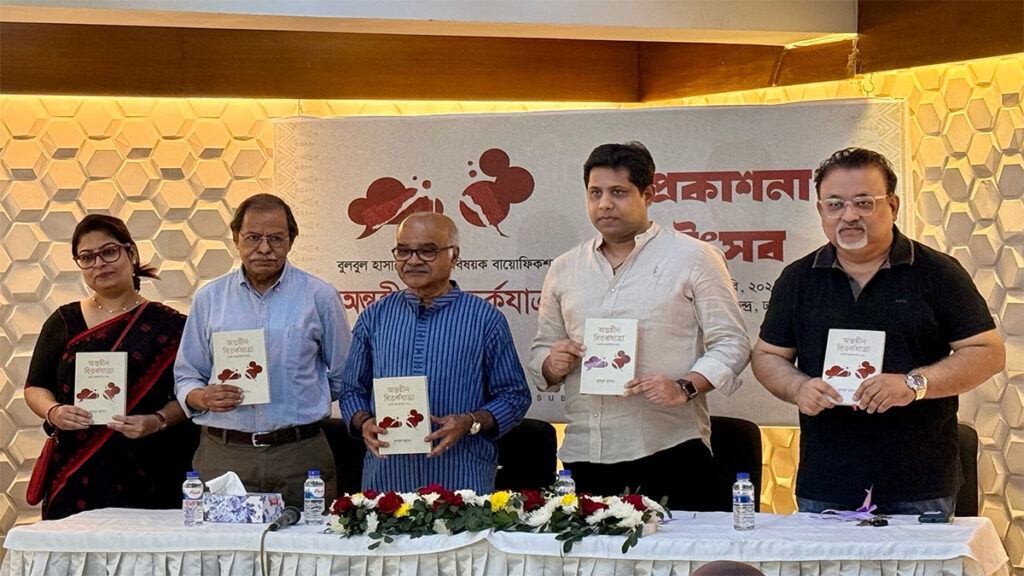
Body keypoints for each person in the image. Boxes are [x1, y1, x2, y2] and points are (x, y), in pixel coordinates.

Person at [752, 147, 1005, 515]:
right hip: (826, 481)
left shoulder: (938, 272)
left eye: (864, 203)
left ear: (893, 205)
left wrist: (914, 384)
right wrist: (797, 388)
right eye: (835, 204)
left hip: (919, 483)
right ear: (821, 211)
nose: (849, 215)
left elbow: (988, 352)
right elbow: (767, 355)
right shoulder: (798, 279)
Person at [529, 142, 751, 510]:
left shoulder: (693, 257)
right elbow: (542, 350)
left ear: (648, 194)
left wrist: (684, 386)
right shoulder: (565, 267)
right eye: (595, 193)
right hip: (584, 453)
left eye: (618, 192)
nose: (604, 204)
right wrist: (552, 363)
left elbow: (732, 344)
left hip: (669, 450)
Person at [174, 193, 352, 507]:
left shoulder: (320, 296)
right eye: (253, 237)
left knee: (307, 538)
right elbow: (187, 376)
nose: (265, 248)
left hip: (299, 455)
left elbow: (344, 375)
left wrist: (304, 396)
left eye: (276, 238)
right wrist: (203, 397)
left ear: (291, 241)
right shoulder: (209, 298)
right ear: (236, 239)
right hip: (224, 452)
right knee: (219, 540)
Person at [339, 212, 531, 493]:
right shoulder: (374, 317)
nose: (413, 260)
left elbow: (514, 396)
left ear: (454, 256)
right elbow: (351, 391)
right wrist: (364, 422)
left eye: (427, 251)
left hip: (461, 482)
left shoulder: (485, 319)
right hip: (387, 482)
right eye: (403, 251)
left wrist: (470, 422)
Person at [24, 214, 196, 519]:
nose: (99, 264)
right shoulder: (64, 321)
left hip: (151, 472)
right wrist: (54, 412)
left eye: (109, 252)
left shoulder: (171, 326)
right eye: (87, 257)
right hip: (76, 471)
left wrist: (157, 421)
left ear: (131, 254)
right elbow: (35, 387)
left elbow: (191, 395)